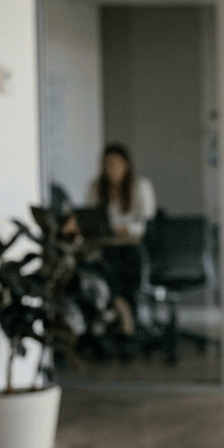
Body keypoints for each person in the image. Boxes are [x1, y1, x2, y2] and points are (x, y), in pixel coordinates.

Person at [87, 143, 157, 337]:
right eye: (105, 165)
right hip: (105, 247)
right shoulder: (97, 188)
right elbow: (91, 218)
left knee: (125, 261)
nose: (109, 170)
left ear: (126, 165)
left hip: (132, 246)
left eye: (114, 164)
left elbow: (146, 223)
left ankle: (125, 314)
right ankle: (120, 311)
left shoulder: (141, 186)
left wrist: (125, 229)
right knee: (95, 265)